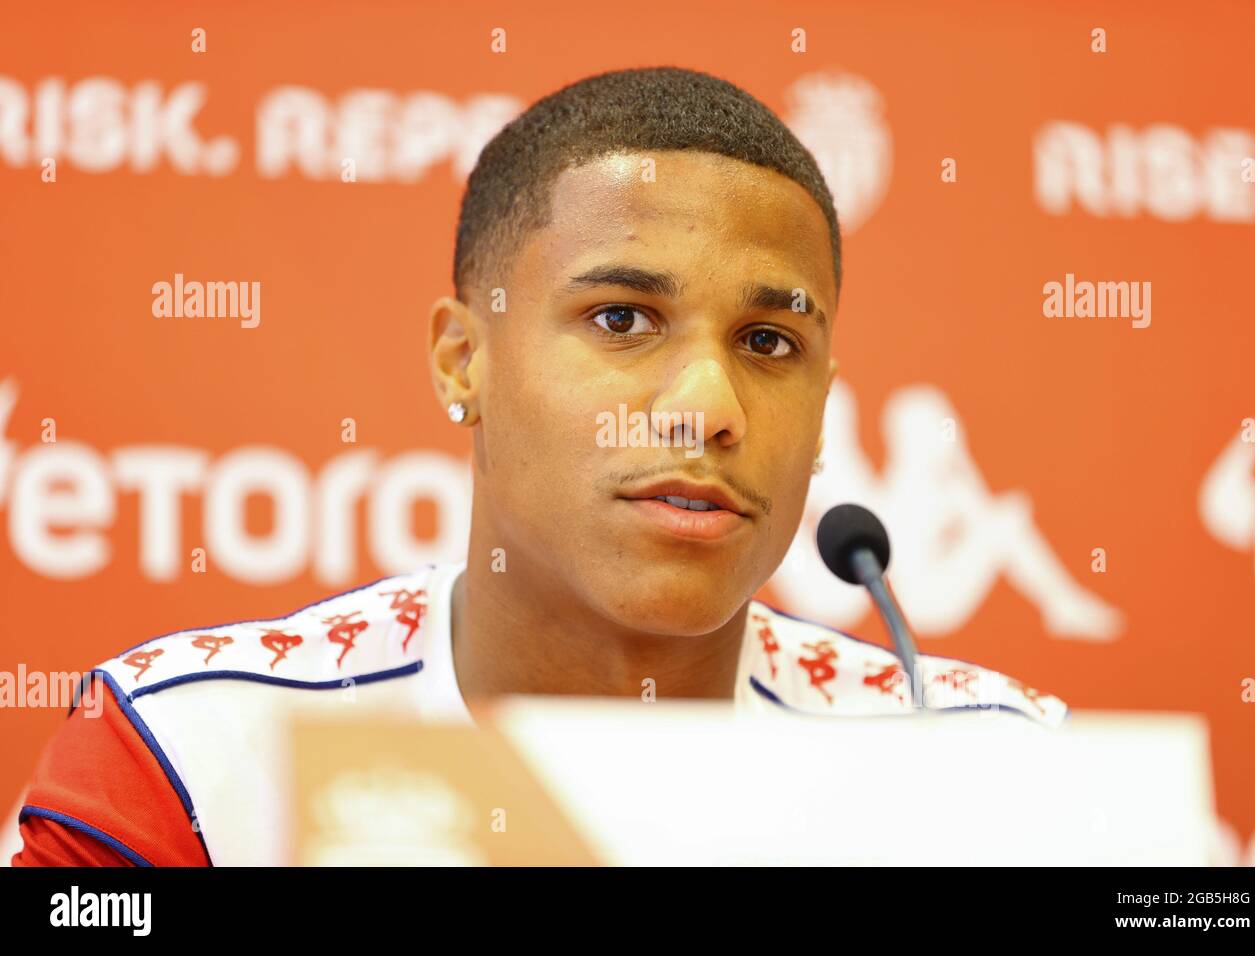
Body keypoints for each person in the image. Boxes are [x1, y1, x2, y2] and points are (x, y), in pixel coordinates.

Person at [11, 66, 1065, 866]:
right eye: (622, 318)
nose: (708, 407)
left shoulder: (996, 772)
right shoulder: (186, 754)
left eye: (768, 343)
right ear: (462, 359)